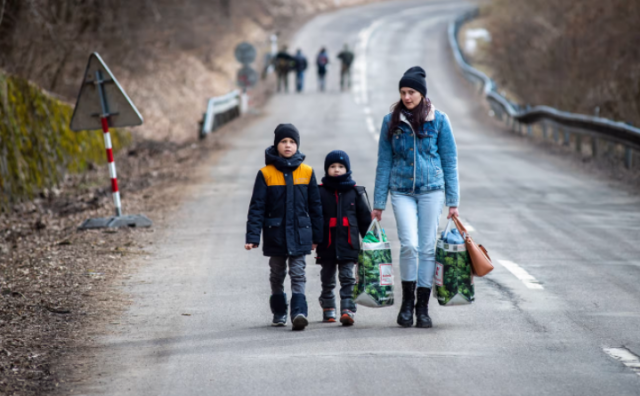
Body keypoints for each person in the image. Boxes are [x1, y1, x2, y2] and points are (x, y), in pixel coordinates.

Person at [372, 66, 459, 329]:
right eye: (403, 92)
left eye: (411, 92)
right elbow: (384, 162)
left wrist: (453, 201)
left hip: (432, 190)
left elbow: (449, 160)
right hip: (401, 191)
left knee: (427, 247)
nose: (407, 97)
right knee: (409, 245)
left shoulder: (439, 120)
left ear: (421, 93)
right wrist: (378, 203)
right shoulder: (391, 121)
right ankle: (406, 304)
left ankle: (423, 308)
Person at [245, 124, 323, 331]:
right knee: (277, 274)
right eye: (283, 141)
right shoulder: (266, 173)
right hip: (275, 234)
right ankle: (279, 312)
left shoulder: (307, 172)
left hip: (300, 233)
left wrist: (317, 236)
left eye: (292, 142)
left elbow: (315, 207)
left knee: (298, 273)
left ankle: (299, 312)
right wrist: (253, 236)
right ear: (276, 144)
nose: (288, 145)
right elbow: (257, 207)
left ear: (297, 145)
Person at [315, 150, 371, 326]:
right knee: (327, 278)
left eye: (340, 166)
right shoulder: (320, 192)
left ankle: (348, 309)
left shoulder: (355, 192)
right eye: (332, 166)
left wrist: (371, 241)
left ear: (347, 169)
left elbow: (365, 220)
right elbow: (314, 218)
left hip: (349, 245)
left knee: (348, 278)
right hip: (327, 245)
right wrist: (313, 239)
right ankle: (328, 307)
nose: (337, 170)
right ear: (327, 169)